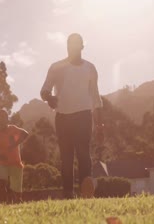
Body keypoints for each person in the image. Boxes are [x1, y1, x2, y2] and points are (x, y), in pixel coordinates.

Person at [40, 33, 104, 199]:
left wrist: (99, 125)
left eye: (77, 44)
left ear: (82, 46)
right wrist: (49, 98)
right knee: (66, 158)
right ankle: (68, 193)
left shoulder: (90, 68)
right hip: (63, 117)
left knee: (83, 154)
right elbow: (44, 90)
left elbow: (95, 97)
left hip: (84, 116)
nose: (73, 47)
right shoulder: (56, 67)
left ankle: (86, 193)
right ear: (67, 46)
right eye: (70, 44)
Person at [0, 109, 29, 203]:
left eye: (2, 118)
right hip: (2, 163)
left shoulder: (12, 129)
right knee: (1, 183)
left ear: (6, 120)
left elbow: (25, 134)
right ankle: (3, 202)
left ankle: (17, 200)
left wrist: (15, 144)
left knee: (17, 193)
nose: (0, 121)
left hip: (15, 162)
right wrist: (0, 155)